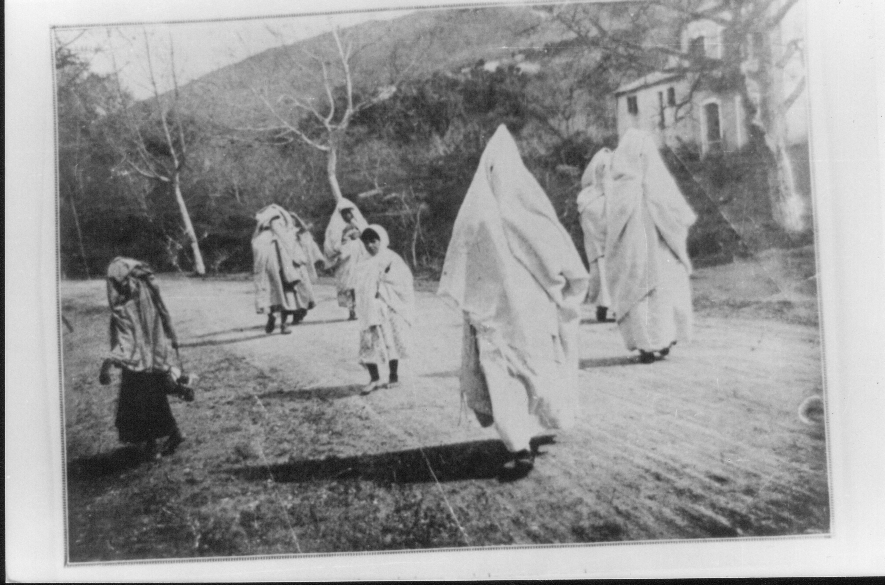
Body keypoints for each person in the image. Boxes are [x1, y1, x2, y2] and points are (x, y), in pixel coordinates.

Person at [438, 125, 589, 472]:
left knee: (524, 372)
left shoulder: (491, 214)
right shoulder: (488, 215)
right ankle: (519, 446)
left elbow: (560, 259)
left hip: (517, 313)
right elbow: (563, 264)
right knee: (509, 374)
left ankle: (526, 437)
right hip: (498, 315)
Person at [606, 129, 696, 363]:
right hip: (658, 250)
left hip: (632, 254)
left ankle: (647, 346)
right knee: (661, 294)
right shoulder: (656, 182)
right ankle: (663, 340)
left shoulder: (619, 187)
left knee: (640, 296)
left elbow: (612, 226)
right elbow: (679, 215)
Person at [98, 257, 185, 460]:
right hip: (145, 361)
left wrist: (107, 364)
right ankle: (163, 437)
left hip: (143, 362)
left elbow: (125, 340)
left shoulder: (133, 305)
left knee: (144, 401)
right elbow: (123, 339)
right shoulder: (135, 304)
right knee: (149, 399)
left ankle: (159, 440)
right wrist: (172, 336)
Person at [354, 224, 415, 395]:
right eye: (366, 242)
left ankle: (393, 376)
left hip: (387, 306)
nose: (369, 246)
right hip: (370, 308)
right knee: (369, 343)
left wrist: (385, 278)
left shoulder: (390, 258)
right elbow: (359, 286)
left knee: (390, 341)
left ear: (381, 240)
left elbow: (403, 281)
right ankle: (374, 378)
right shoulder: (363, 262)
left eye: (373, 241)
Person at [252, 204, 316, 334]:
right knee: (285, 291)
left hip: (276, 269)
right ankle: (281, 323)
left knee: (275, 292)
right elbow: (289, 245)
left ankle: (276, 319)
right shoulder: (276, 235)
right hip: (280, 268)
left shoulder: (259, 238)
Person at [577, 147, 614, 323]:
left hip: (588, 207)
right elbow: (609, 186)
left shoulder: (598, 159)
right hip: (602, 206)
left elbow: (587, 180)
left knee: (596, 258)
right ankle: (611, 304)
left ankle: (601, 305)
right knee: (611, 256)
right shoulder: (611, 160)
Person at [324, 199, 369, 320]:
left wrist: (359, 235)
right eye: (345, 213)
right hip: (345, 259)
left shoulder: (358, 223)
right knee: (347, 285)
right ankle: (351, 310)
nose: (348, 215)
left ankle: (361, 308)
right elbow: (332, 244)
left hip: (358, 255)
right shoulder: (336, 227)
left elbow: (367, 235)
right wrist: (345, 237)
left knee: (360, 283)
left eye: (350, 212)